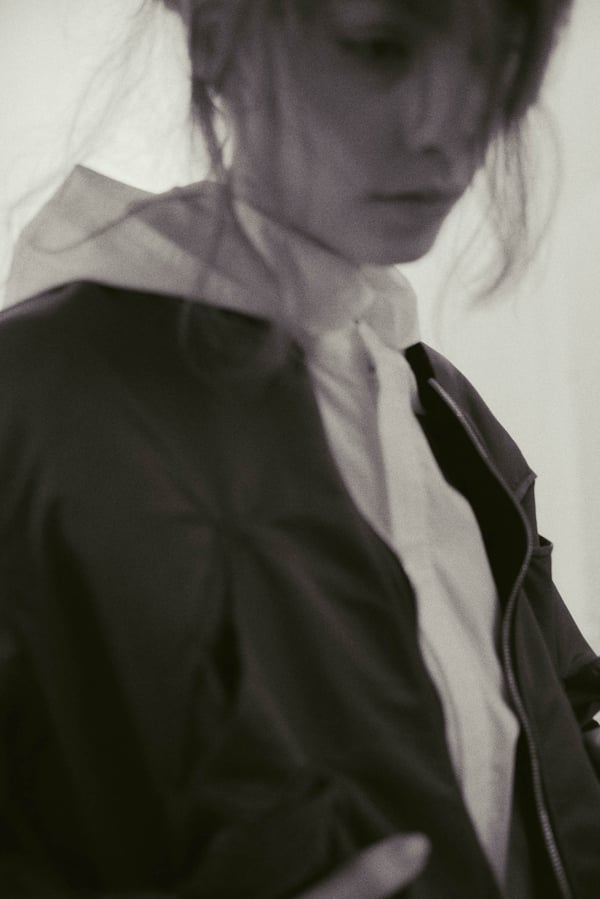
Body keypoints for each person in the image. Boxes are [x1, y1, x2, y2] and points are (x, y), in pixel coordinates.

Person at [1, 0, 599, 897]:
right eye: (381, 47)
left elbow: (554, 738)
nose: (451, 129)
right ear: (218, 38)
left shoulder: (442, 410)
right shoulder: (41, 401)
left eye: (496, 61)